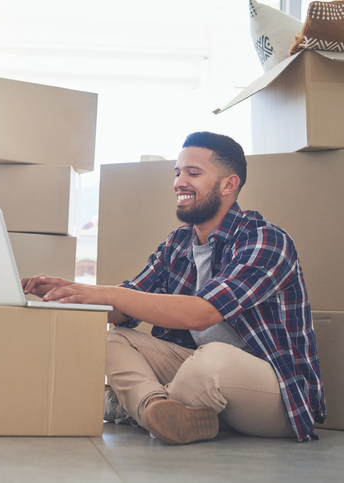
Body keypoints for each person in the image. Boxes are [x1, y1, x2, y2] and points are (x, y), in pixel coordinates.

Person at [22, 131, 326, 444]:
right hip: (195, 372)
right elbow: (126, 307)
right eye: (177, 172)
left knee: (214, 359)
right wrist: (72, 294)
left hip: (274, 394)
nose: (180, 182)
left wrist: (104, 291)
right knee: (115, 339)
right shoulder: (177, 243)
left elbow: (202, 313)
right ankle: (156, 409)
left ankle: (130, 407)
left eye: (193, 173)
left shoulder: (266, 240)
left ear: (228, 185)